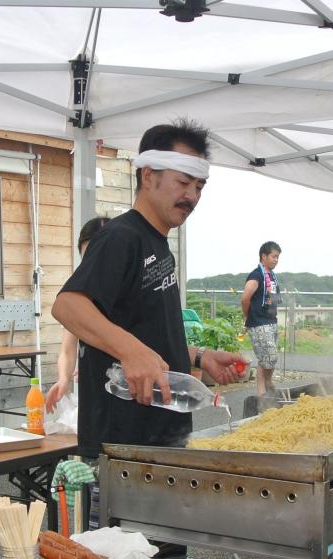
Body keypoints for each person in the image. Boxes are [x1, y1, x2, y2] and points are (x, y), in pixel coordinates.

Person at [51, 119, 243, 461]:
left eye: (199, 186)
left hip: (163, 436)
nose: (192, 196)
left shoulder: (158, 244)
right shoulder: (121, 237)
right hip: (123, 446)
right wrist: (130, 351)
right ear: (148, 176)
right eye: (183, 182)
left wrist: (199, 357)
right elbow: (67, 305)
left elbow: (147, 332)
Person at [45, 216, 111, 414]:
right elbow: (68, 349)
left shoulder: (134, 288)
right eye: (87, 257)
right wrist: (64, 378)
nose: (95, 265)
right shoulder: (80, 291)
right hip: (93, 392)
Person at [241, 241, 282, 396]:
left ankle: (265, 386)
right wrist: (247, 316)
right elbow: (245, 298)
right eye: (274, 256)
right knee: (268, 356)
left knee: (268, 357)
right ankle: (263, 388)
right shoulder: (256, 275)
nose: (276, 260)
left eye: (278, 257)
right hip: (259, 323)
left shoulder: (271, 276)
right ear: (263, 256)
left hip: (271, 321)